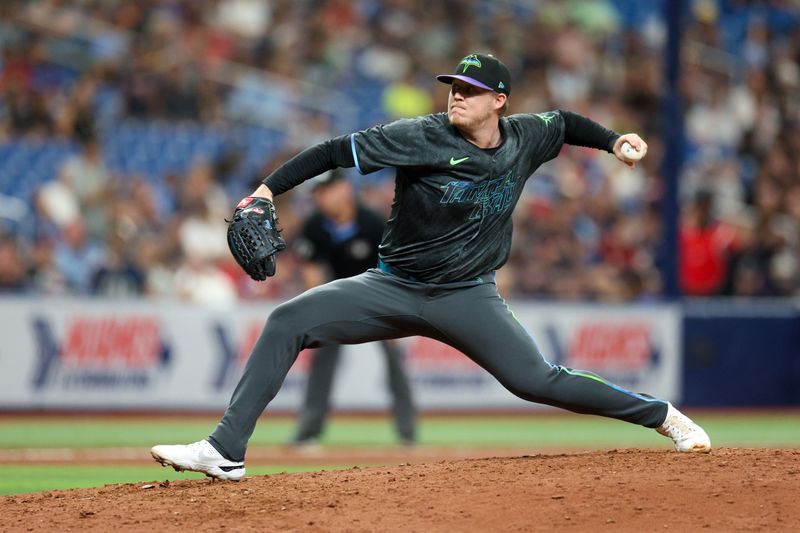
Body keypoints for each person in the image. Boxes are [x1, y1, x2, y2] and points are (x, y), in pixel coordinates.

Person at [152, 53, 711, 481]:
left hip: (467, 294)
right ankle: (225, 452)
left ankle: (663, 415)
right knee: (285, 321)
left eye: (469, 90)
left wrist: (614, 142)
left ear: (499, 100)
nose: (456, 97)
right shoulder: (419, 135)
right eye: (452, 87)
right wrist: (266, 191)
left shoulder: (525, 137)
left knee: (536, 381)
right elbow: (330, 152)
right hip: (391, 285)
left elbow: (564, 122)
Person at [290, 169, 416, 446]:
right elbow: (314, 277)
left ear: (344, 189)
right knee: (321, 359)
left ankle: (407, 434)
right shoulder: (314, 225)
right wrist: (316, 318)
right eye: (318, 194)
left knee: (395, 362)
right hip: (336, 299)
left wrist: (399, 318)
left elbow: (394, 270)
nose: (320, 199)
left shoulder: (373, 224)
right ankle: (308, 432)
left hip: (377, 298)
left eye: (325, 192)